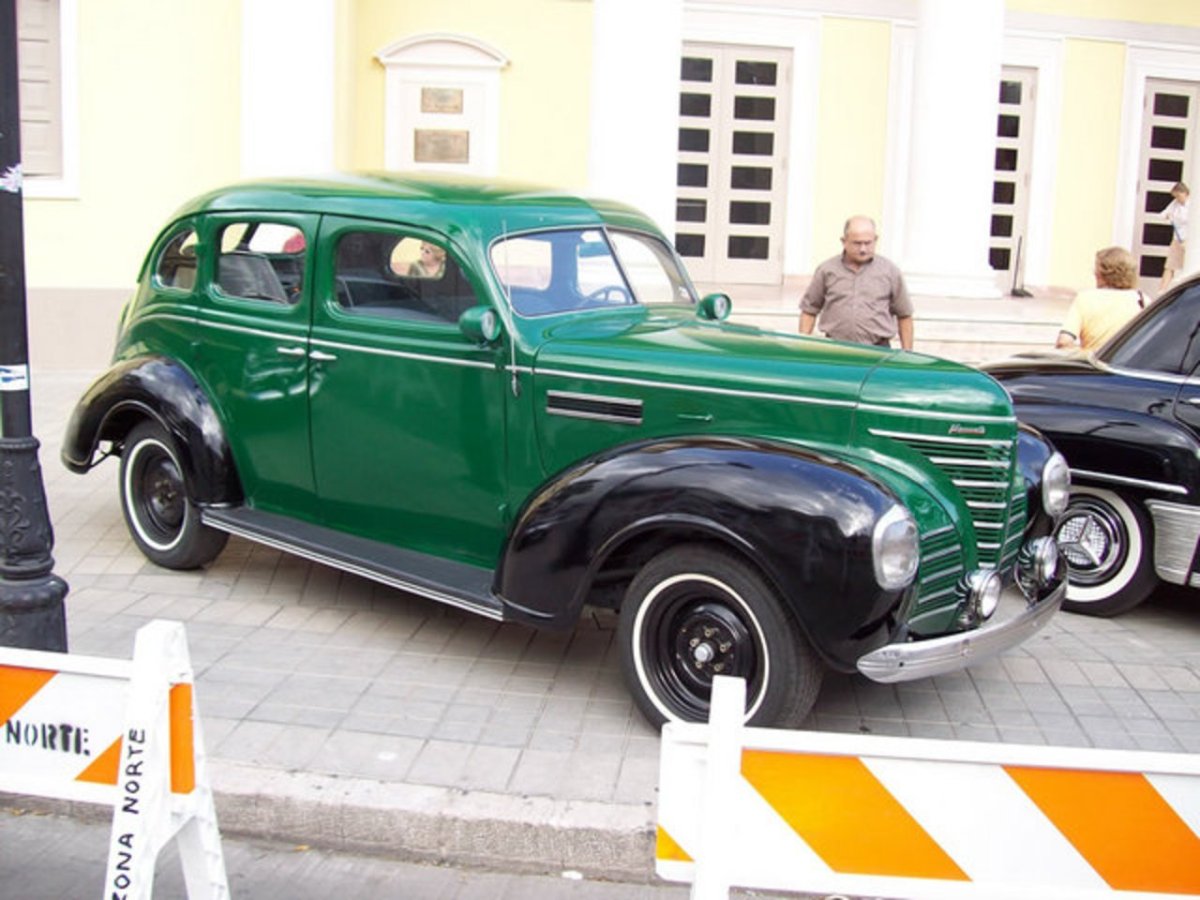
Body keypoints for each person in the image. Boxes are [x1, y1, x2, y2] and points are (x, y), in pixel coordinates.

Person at [800, 216, 914, 349]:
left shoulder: (890, 272)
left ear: (875, 240)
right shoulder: (826, 270)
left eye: (868, 243)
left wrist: (907, 353)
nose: (863, 249)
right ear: (844, 241)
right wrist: (803, 345)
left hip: (877, 350)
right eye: (857, 243)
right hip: (835, 349)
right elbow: (809, 310)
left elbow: (904, 315)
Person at [1056, 246, 1144, 350]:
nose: (1094, 273)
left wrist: (1083, 357)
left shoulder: (1086, 299)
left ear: (1102, 274)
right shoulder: (1142, 300)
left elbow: (1064, 341)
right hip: (1126, 364)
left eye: (1096, 269)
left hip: (1094, 364)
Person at [1160, 181, 1189, 293]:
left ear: (1185, 193)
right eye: (1175, 196)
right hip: (1178, 239)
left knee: (1186, 265)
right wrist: (1167, 215)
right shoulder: (1175, 204)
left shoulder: (1193, 203)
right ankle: (1162, 290)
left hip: (1189, 239)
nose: (1177, 199)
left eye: (1179, 196)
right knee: (1170, 265)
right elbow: (1163, 214)